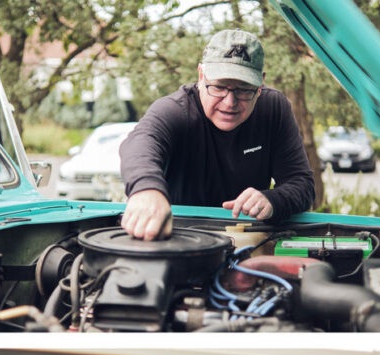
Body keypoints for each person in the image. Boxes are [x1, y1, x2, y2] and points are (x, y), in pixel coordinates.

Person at [119, 29, 315, 241]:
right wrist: (147, 189)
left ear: (260, 85)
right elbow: (139, 144)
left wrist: (273, 200)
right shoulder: (175, 110)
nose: (229, 102)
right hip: (179, 239)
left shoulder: (274, 109)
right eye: (220, 87)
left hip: (247, 241)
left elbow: (301, 183)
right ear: (201, 75)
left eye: (243, 90)